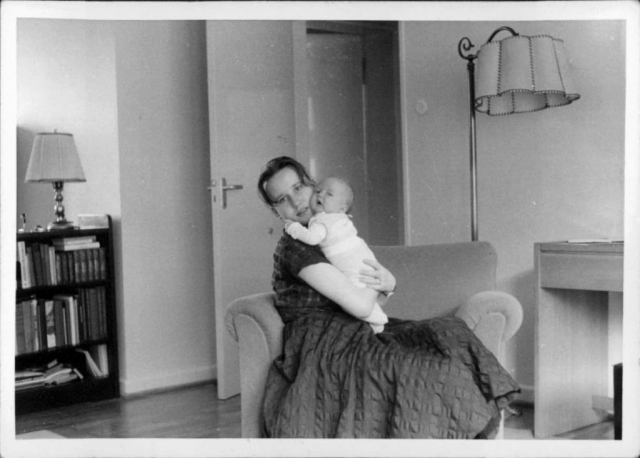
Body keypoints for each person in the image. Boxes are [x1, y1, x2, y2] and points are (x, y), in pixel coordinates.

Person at [257, 156, 520, 439]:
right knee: (422, 370)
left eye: (298, 188)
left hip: (352, 326)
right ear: (276, 211)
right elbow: (361, 305)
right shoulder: (295, 248)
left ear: (311, 185)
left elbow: (370, 303)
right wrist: (382, 281)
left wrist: (386, 286)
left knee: (447, 332)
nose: (295, 201)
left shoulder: (327, 231)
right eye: (282, 199)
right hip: (322, 342)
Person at [284, 176, 388, 333]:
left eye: (329, 194)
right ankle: (376, 320)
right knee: (361, 292)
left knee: (355, 299)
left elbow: (312, 238)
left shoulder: (324, 219)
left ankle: (377, 320)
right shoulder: (339, 218)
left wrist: (293, 228)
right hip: (362, 256)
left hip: (351, 262)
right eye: (318, 191)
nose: (321, 195)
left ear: (342, 209)